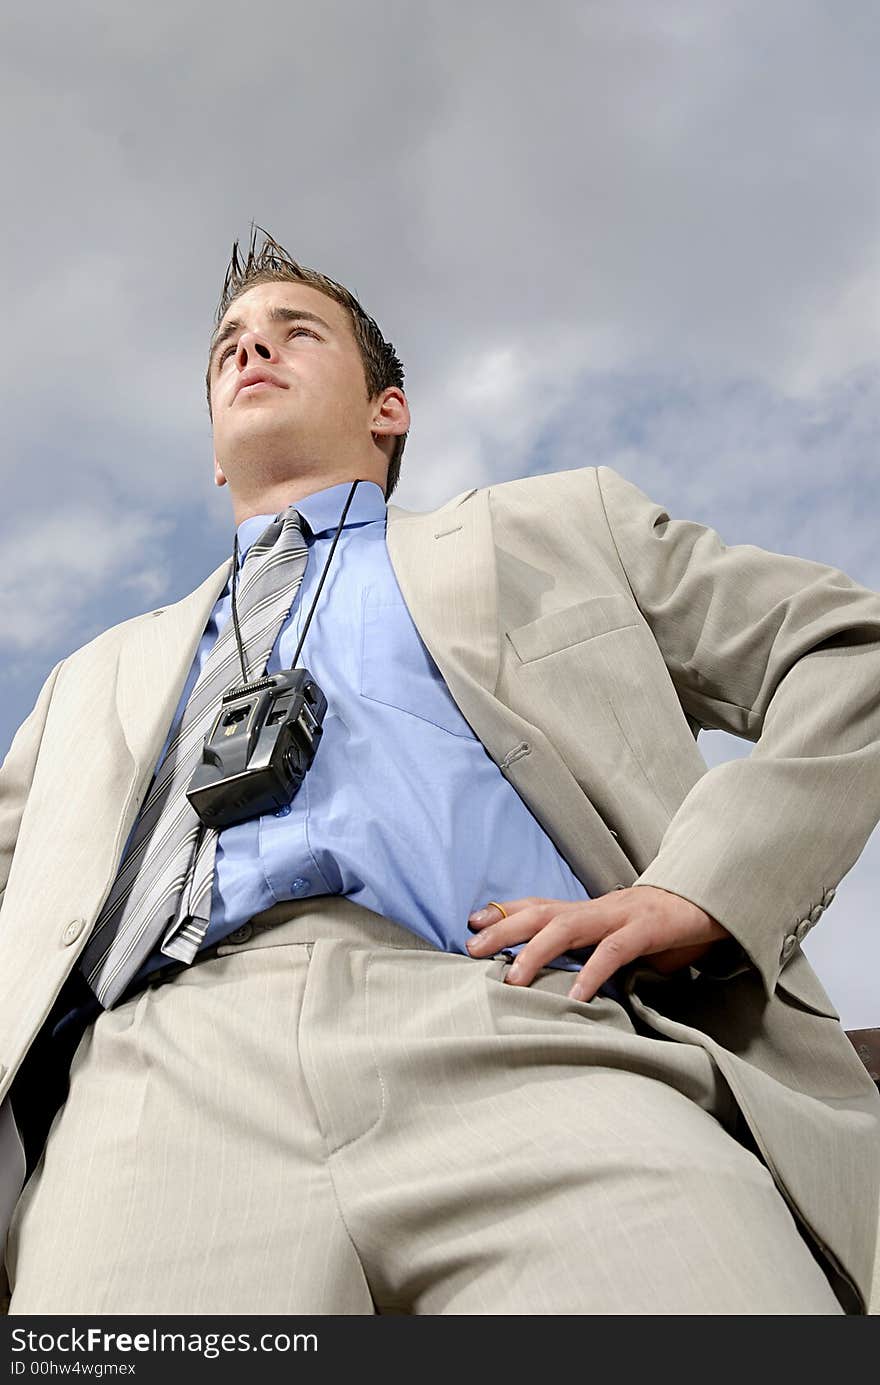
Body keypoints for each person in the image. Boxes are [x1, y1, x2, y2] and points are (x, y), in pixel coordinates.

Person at [1, 226, 878, 1317]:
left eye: (294, 331)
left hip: (534, 1026)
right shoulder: (86, 681)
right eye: (227, 345)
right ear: (215, 454)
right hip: (150, 1094)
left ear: (388, 409)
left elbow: (847, 647)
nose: (248, 352)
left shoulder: (559, 525)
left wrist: (706, 882)